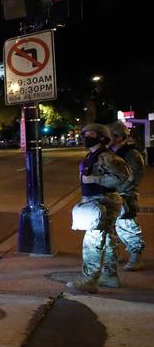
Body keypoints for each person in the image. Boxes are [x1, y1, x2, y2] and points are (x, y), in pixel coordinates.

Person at [67, 124, 131, 294]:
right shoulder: (93, 155)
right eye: (85, 133)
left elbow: (123, 177)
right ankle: (109, 276)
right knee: (108, 240)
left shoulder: (106, 157)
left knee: (92, 241)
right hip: (97, 200)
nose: (86, 136)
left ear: (103, 137)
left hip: (103, 201)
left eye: (91, 134)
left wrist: (96, 180)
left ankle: (89, 280)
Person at [109, 122, 146, 271]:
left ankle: (136, 256)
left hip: (125, 195)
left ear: (118, 137)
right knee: (110, 227)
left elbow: (134, 176)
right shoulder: (108, 152)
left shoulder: (131, 154)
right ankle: (114, 254)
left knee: (128, 226)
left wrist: (118, 188)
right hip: (110, 194)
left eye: (110, 135)